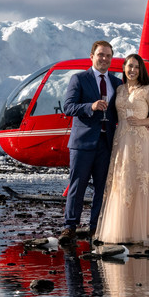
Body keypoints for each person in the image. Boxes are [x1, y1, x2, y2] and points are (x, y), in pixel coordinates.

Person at [93, 53, 149, 245]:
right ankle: (122, 229)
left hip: (141, 141)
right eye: (130, 66)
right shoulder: (119, 89)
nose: (133, 70)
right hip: (121, 140)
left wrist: (142, 122)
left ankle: (143, 230)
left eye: (137, 67)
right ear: (124, 68)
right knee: (122, 181)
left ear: (141, 70)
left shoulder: (148, 90)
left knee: (140, 181)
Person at [60, 40, 120, 242]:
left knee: (102, 188)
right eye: (101, 55)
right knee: (77, 186)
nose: (104, 59)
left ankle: (96, 227)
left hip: (106, 142)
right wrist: (90, 107)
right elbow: (68, 107)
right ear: (92, 56)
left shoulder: (117, 83)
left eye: (108, 56)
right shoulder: (79, 78)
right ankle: (70, 227)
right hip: (83, 143)